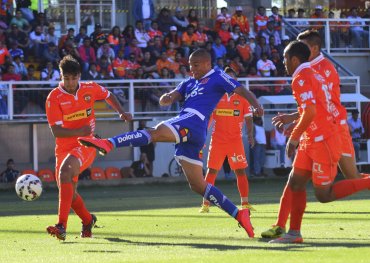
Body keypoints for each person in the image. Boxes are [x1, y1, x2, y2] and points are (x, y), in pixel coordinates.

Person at [78, 48, 265, 238]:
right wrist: (166, 98)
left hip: (193, 120)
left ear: (207, 64)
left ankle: (108, 143)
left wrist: (256, 105)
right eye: (190, 65)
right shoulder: (189, 82)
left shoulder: (217, 75)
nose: (192, 69)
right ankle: (239, 214)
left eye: (196, 65)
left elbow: (240, 89)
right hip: (193, 130)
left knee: (155, 132)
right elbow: (172, 95)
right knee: (198, 185)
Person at [261, 30, 368, 240]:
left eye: (284, 58)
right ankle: (293, 232)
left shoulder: (304, 76)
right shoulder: (312, 72)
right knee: (295, 181)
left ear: (294, 58)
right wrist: (298, 125)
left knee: (325, 194)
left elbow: (312, 110)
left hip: (325, 137)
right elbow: (314, 107)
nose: (283, 63)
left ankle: (289, 229)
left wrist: (293, 137)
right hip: (314, 136)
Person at [45, 55, 132, 241]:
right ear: (61, 76)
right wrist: (79, 129)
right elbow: (57, 132)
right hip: (63, 147)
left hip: (86, 143)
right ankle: (87, 220)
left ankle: (61, 226)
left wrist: (121, 112)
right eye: (66, 78)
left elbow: (108, 95)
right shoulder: (54, 98)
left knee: (65, 172)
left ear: (79, 76)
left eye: (73, 78)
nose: (70, 83)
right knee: (69, 191)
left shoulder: (90, 88)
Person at [199, 67, 255, 213]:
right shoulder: (216, 97)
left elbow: (249, 119)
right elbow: (209, 119)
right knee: (211, 171)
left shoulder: (243, 98)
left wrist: (250, 135)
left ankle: (245, 203)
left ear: (235, 81)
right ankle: (205, 204)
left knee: (240, 171)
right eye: (227, 78)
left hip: (235, 141)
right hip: (217, 140)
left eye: (232, 78)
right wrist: (202, 137)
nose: (230, 81)